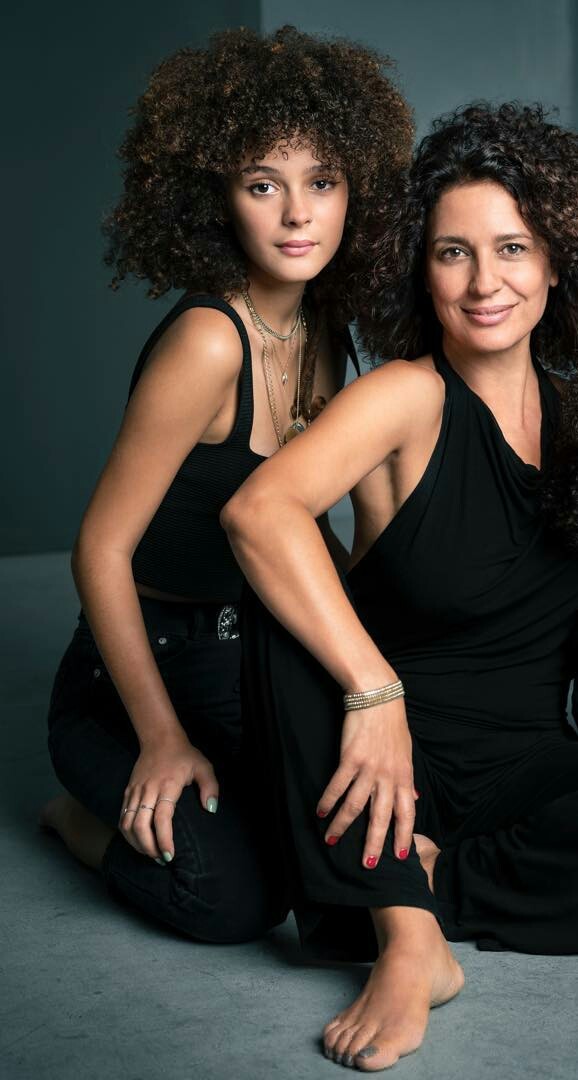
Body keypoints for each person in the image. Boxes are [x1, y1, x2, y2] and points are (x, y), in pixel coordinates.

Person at [222, 101, 578, 1069]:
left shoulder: (573, 414)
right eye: (452, 253)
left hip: (522, 775)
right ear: (421, 271)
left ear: (553, 262)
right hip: (379, 765)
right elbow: (258, 513)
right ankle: (407, 934)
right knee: (278, 605)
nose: (484, 282)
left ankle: (423, 882)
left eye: (511, 249)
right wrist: (374, 694)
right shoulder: (406, 396)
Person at [41, 25, 414, 943]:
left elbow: (315, 521)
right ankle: (73, 819)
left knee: (355, 828)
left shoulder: (327, 328)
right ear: (219, 199)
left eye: (322, 182)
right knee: (231, 903)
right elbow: (100, 550)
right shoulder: (209, 342)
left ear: (355, 193)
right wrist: (161, 738)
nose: (297, 215)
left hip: (255, 647)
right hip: (141, 664)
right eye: (263, 185)